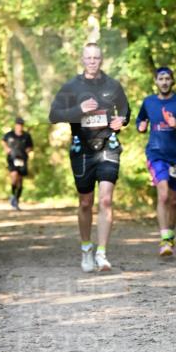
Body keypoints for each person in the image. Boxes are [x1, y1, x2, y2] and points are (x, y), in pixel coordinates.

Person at [49, 43, 130, 272]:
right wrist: (79, 109)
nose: (92, 61)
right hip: (82, 149)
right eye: (89, 58)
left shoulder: (112, 85)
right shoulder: (72, 87)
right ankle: (86, 248)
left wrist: (120, 121)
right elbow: (54, 115)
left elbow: (125, 111)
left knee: (105, 200)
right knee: (85, 202)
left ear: (102, 59)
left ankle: (102, 253)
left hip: (108, 146)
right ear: (82, 60)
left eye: (96, 57)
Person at [136, 66, 176, 257]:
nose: (164, 82)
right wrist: (141, 126)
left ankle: (170, 237)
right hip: (156, 155)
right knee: (163, 195)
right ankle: (164, 239)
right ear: (155, 81)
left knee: (174, 200)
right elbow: (140, 120)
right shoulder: (149, 102)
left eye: (167, 79)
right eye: (160, 79)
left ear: (172, 81)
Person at [1, 116, 33, 210]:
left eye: (21, 124)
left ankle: (16, 200)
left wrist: (27, 150)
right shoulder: (9, 135)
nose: (20, 126)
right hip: (12, 158)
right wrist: (6, 148)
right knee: (14, 176)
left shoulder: (26, 136)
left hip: (22, 159)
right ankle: (12, 195)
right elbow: (3, 141)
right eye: (18, 124)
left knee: (20, 180)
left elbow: (31, 146)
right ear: (15, 125)